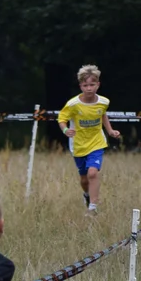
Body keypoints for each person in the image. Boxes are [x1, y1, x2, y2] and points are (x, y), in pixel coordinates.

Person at [57, 64, 121, 214]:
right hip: (78, 145)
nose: (89, 88)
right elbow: (62, 118)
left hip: (96, 142)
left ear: (98, 85)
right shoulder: (73, 104)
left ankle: (93, 207)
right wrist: (66, 130)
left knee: (93, 173)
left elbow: (102, 114)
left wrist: (110, 130)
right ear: (81, 86)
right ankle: (86, 194)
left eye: (92, 85)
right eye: (85, 85)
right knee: (84, 179)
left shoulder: (104, 102)